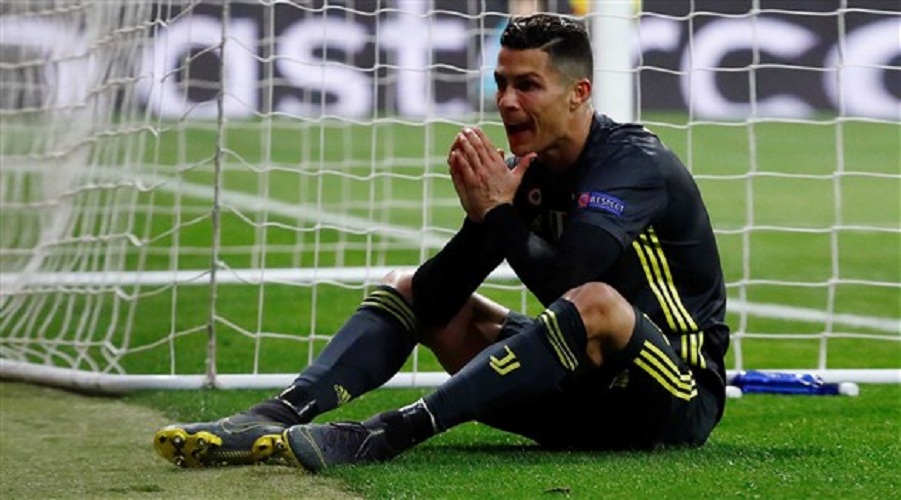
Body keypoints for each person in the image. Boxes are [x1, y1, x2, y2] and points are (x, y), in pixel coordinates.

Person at [153, 13, 730, 472]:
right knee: (405, 287)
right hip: (578, 399)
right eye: (502, 83)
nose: (507, 101)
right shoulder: (522, 174)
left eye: (528, 85)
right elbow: (434, 299)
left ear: (579, 93)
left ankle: (388, 433)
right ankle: (279, 412)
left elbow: (570, 281)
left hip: (670, 396)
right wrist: (483, 221)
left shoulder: (631, 163)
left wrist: (499, 214)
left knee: (596, 302)